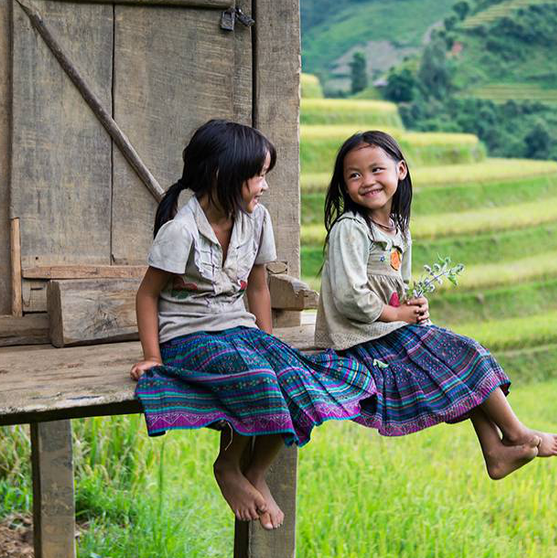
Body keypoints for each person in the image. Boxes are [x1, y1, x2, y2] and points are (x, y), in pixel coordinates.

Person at [130, 119, 376, 530]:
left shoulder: (257, 220)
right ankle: (228, 467)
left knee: (293, 376)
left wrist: (267, 340)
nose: (264, 185)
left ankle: (256, 471)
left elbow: (258, 287)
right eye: (257, 175)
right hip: (189, 336)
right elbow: (147, 294)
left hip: (239, 328)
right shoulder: (180, 231)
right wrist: (152, 357)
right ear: (220, 175)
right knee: (258, 377)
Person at [315, 130, 557, 480]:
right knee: (462, 355)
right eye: (354, 175)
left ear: (400, 171)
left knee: (460, 360)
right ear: (343, 185)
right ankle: (516, 433)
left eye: (376, 170)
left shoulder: (397, 229)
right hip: (357, 340)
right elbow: (349, 296)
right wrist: (397, 314)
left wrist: (413, 308)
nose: (366, 181)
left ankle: (495, 452)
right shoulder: (351, 228)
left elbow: (398, 286)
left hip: (387, 330)